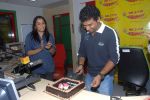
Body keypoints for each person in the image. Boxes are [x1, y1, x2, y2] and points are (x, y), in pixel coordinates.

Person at [75, 5, 120, 96]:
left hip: (105, 76)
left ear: (98, 19)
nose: (87, 28)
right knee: (89, 97)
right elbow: (82, 51)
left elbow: (114, 58)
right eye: (84, 25)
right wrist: (81, 64)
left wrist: (100, 75)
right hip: (89, 73)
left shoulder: (110, 33)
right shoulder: (85, 33)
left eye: (90, 24)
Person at [25, 16, 56, 80]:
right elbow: (28, 53)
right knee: (38, 89)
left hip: (49, 67)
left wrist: (50, 48)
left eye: (43, 23)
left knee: (48, 88)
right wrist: (40, 49)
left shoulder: (50, 36)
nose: (42, 25)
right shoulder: (29, 37)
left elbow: (53, 52)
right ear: (35, 26)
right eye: (39, 23)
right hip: (36, 69)